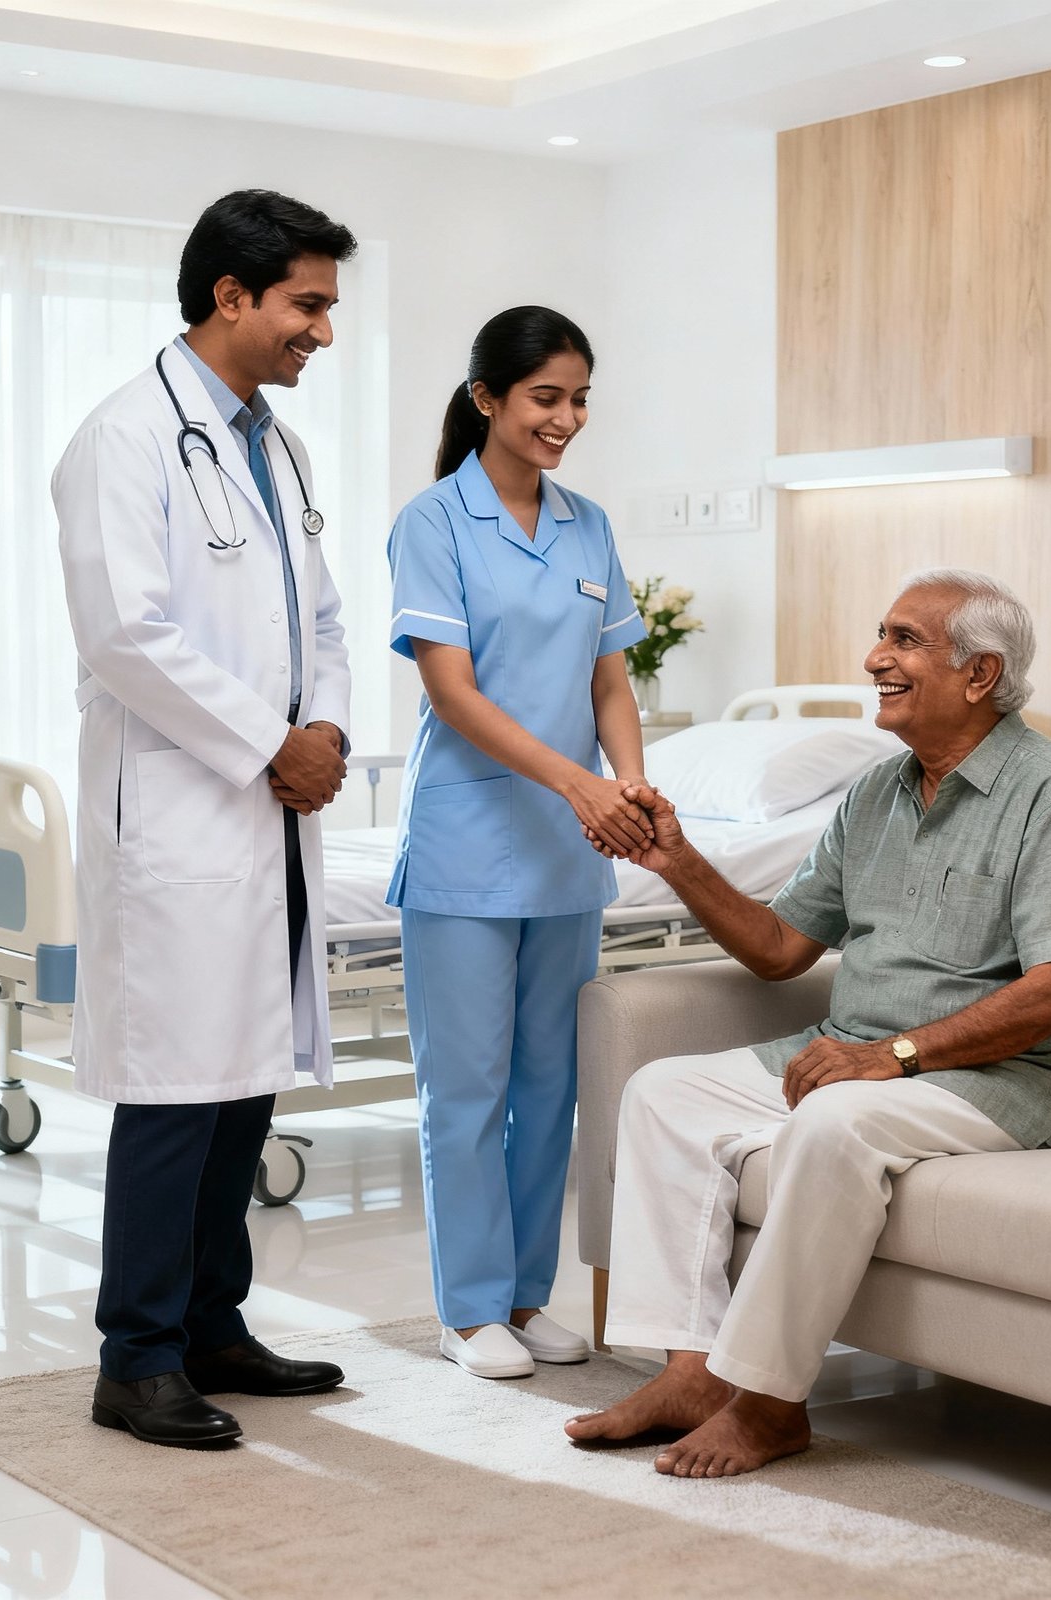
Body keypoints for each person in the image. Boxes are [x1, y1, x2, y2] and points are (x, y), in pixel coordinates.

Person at [566, 569, 1051, 1476]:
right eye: (883, 636)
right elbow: (782, 947)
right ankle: (689, 1371)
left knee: (833, 1123)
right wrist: (679, 861)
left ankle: (769, 1404)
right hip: (871, 1063)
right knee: (661, 1090)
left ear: (980, 674)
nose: (877, 658)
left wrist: (892, 1056)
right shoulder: (875, 795)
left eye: (905, 641)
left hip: (1020, 1082)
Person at [54, 189, 357, 1448]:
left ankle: (215, 1327)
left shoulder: (271, 444)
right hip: (180, 813)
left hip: (267, 809)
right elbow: (129, 634)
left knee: (243, 1084)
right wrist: (268, 741)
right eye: (307, 305)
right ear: (229, 296)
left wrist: (328, 730)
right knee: (177, 1089)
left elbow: (323, 618)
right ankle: (136, 1357)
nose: (321, 333)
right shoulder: (124, 438)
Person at [386, 306, 653, 1379]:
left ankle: (528, 1293)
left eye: (579, 398)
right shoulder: (434, 522)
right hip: (466, 842)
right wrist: (579, 780)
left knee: (553, 1086)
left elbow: (610, 677)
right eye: (546, 396)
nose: (566, 418)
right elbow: (451, 692)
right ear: (489, 397)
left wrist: (628, 780)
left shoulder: (587, 524)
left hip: (566, 852)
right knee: (468, 1086)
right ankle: (466, 1310)